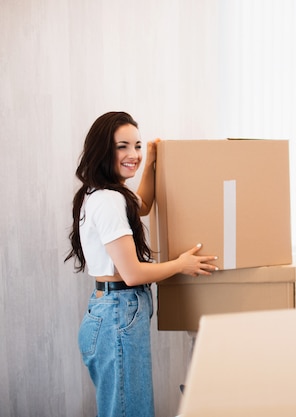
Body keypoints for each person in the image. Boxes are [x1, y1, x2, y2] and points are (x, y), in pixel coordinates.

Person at [65, 111, 218, 417]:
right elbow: (133, 273)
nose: (132, 154)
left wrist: (150, 163)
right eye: (123, 146)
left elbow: (143, 205)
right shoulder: (109, 200)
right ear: (102, 149)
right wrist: (180, 264)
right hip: (117, 314)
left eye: (137, 145)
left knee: (123, 409)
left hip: (109, 311)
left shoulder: (102, 194)